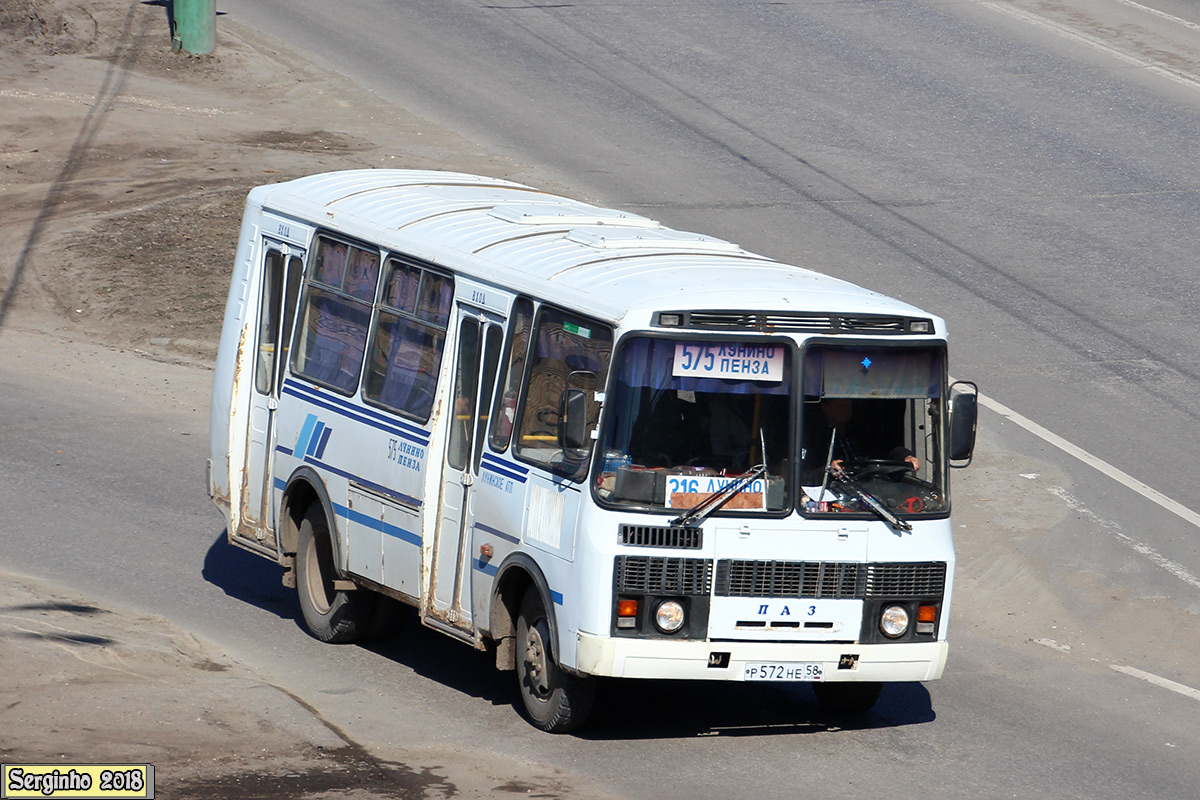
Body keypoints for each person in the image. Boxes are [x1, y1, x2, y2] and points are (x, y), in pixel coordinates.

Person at [801, 397, 919, 483]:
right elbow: (803, 475)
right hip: (835, 491)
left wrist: (905, 456)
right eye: (841, 407)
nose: (847, 410)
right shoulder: (812, 436)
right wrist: (828, 470)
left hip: (869, 488)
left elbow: (884, 449)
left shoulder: (860, 429)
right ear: (825, 408)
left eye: (849, 405)